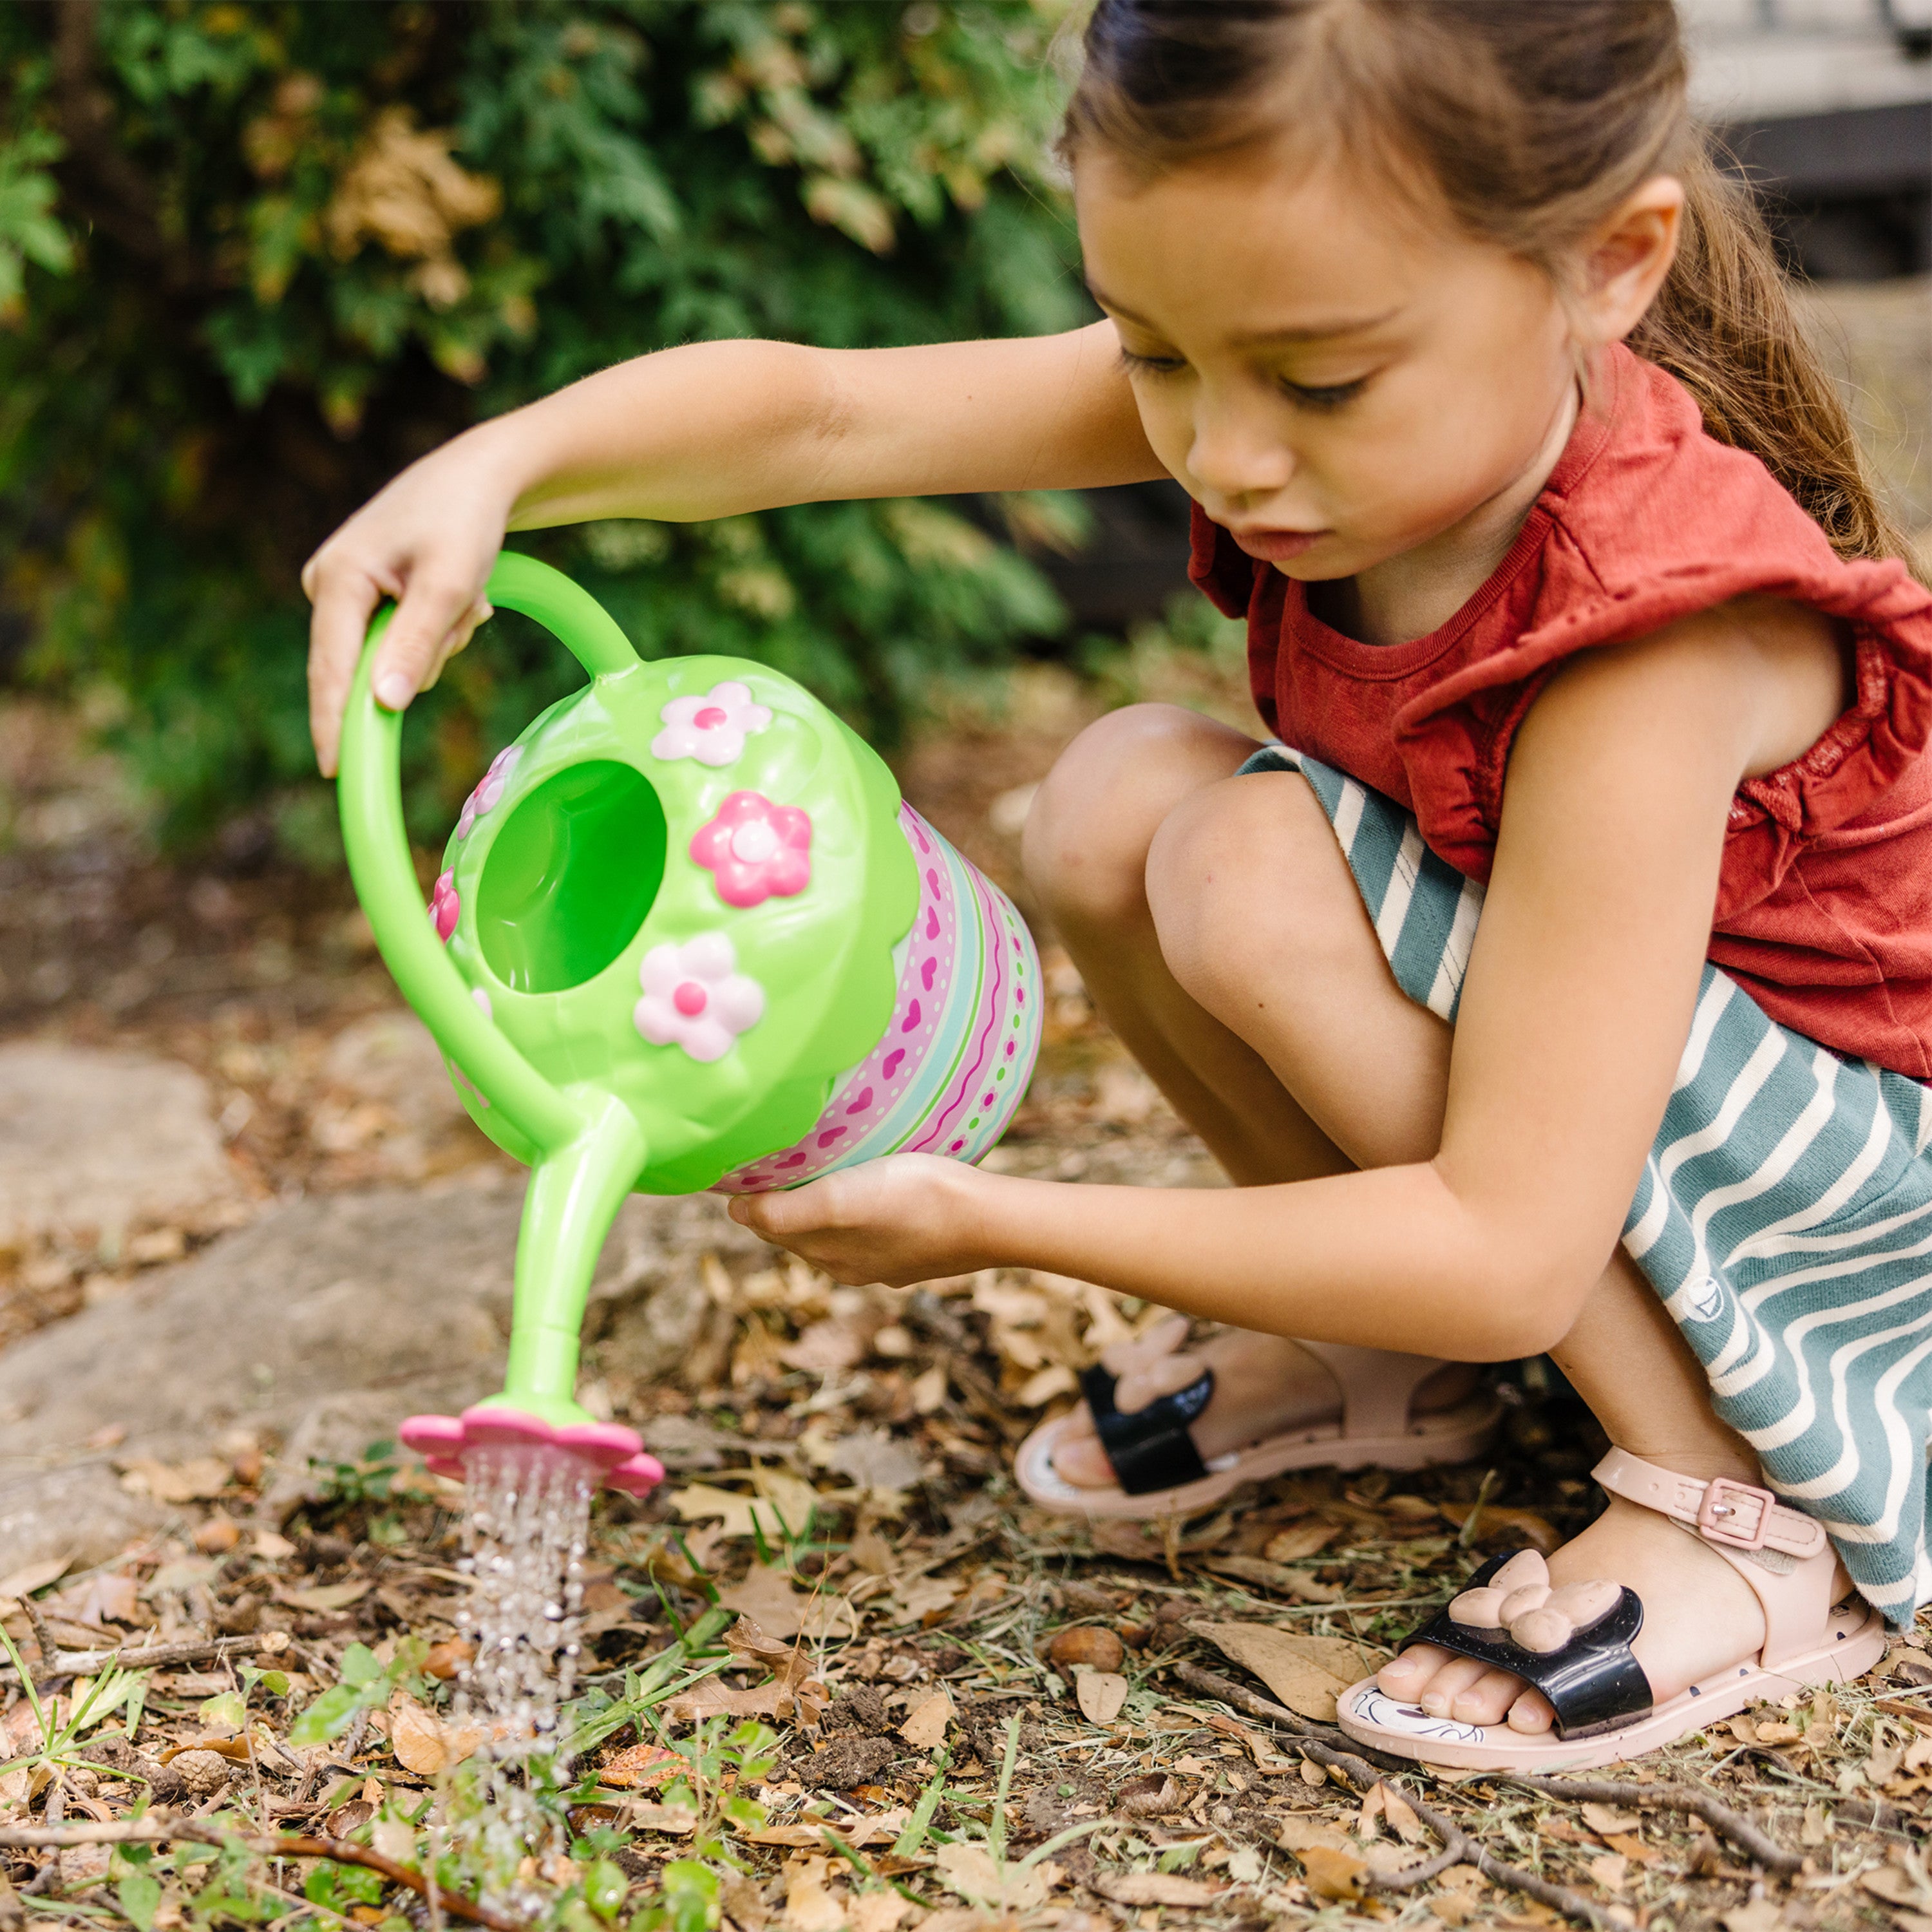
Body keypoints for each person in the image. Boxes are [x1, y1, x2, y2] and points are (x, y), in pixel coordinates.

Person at [304, 0, 1932, 1769]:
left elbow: (1505, 1250)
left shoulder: (1652, 645)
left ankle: (1736, 1518)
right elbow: (832, 418)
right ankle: (1372, 1362)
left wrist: (1001, 1219)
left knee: (1244, 858)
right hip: (1638, 1117)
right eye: (1157, 354)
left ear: (1606, 270)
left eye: (1316, 381)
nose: (1224, 451)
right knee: (1111, 798)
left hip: (1863, 1201)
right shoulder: (1293, 378)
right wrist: (500, 466)